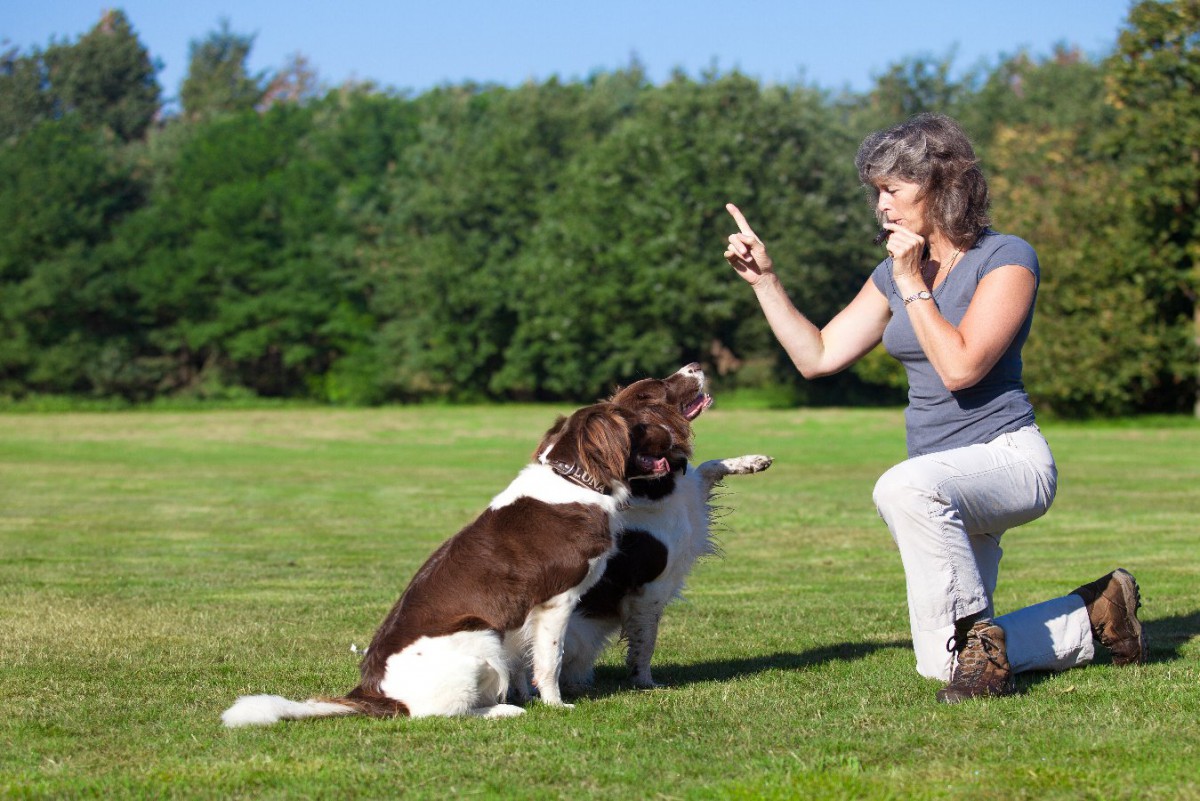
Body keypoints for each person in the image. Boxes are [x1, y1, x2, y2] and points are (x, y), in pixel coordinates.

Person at [722, 113, 1147, 703]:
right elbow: (818, 357)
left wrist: (913, 283)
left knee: (903, 487)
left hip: (1007, 459)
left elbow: (962, 366)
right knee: (940, 666)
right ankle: (1097, 615)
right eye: (876, 192)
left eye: (892, 189)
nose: (882, 206)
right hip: (939, 482)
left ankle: (982, 647)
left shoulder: (1006, 258)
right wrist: (764, 281)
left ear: (942, 184)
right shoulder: (892, 275)